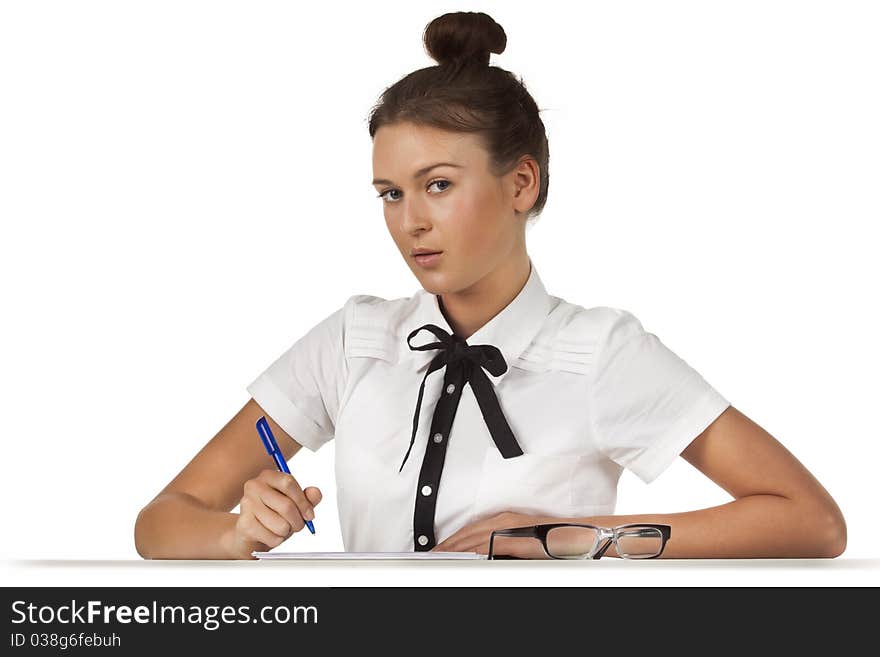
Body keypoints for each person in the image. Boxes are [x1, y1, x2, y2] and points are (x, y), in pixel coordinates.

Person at [134, 11, 847, 560]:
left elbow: (808, 518)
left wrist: (568, 534)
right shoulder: (352, 342)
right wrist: (235, 533)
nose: (411, 221)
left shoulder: (602, 351)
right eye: (389, 193)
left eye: (438, 185)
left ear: (521, 182)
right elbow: (162, 520)